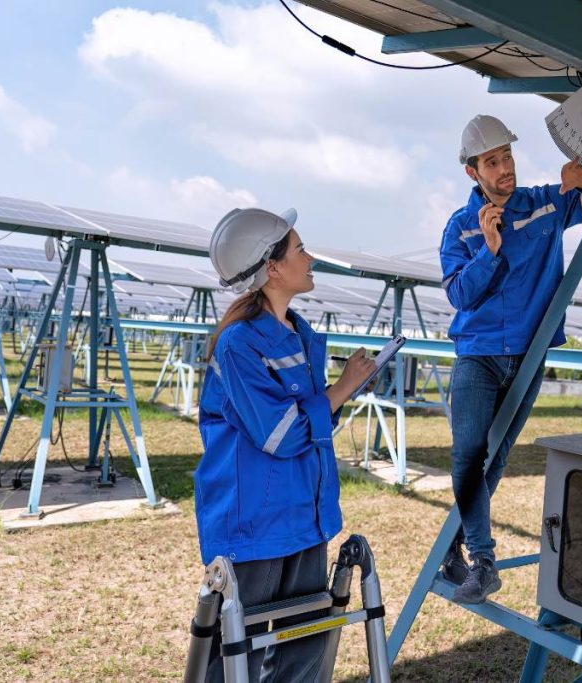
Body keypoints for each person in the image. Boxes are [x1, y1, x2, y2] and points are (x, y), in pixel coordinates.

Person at [439, 115, 582, 604]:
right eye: (492, 162)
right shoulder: (461, 229)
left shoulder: (545, 203)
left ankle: (457, 548)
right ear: (472, 173)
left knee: (496, 458)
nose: (505, 168)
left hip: (528, 356)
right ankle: (484, 561)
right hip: (478, 357)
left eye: (507, 157)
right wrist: (490, 250)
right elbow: (460, 295)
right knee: (467, 458)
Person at [195, 206, 376, 682]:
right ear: (272, 268)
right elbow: (283, 434)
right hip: (255, 525)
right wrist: (342, 389)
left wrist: (339, 395)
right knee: (239, 652)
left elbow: (315, 429)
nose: (310, 256)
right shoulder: (238, 345)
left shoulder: (301, 335)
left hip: (305, 516)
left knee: (305, 647)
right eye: (300, 249)